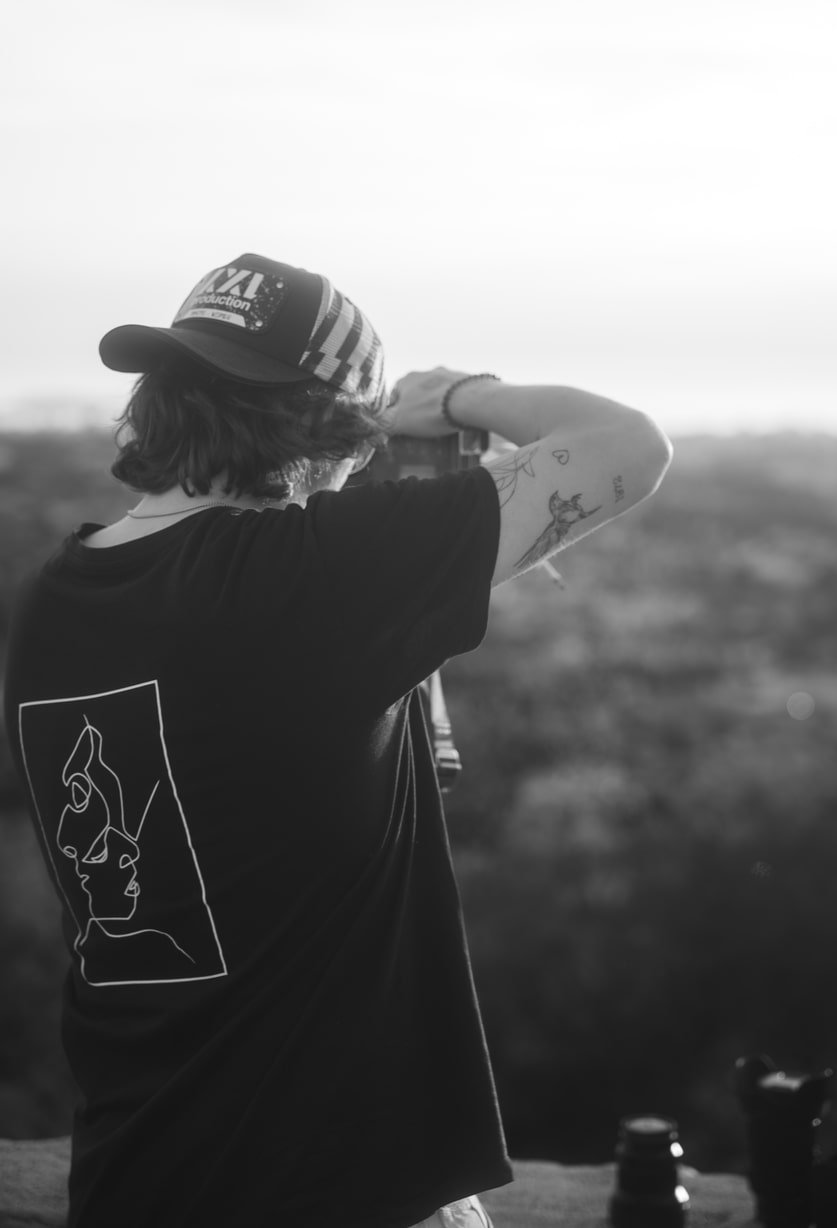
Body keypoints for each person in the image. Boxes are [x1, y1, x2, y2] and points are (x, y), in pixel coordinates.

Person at [4, 251, 672, 1228]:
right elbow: (626, 447)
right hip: (336, 1182)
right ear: (338, 428)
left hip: (137, 1175)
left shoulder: (57, 598)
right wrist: (453, 398)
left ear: (159, 399)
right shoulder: (311, 582)